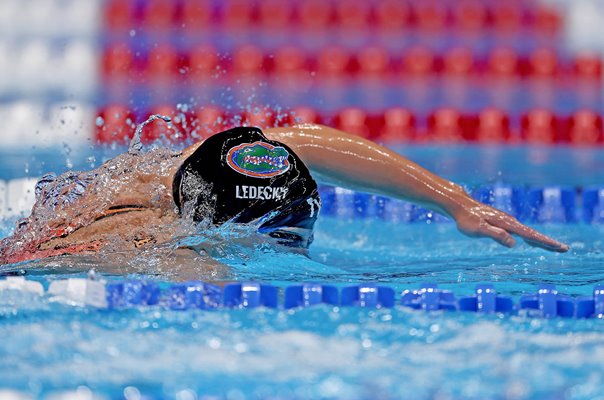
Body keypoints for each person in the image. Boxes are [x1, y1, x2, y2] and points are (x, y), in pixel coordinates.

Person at [0, 123, 568, 273]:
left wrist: (454, 201)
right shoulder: (148, 244)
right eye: (281, 240)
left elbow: (307, 142)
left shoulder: (205, 160)